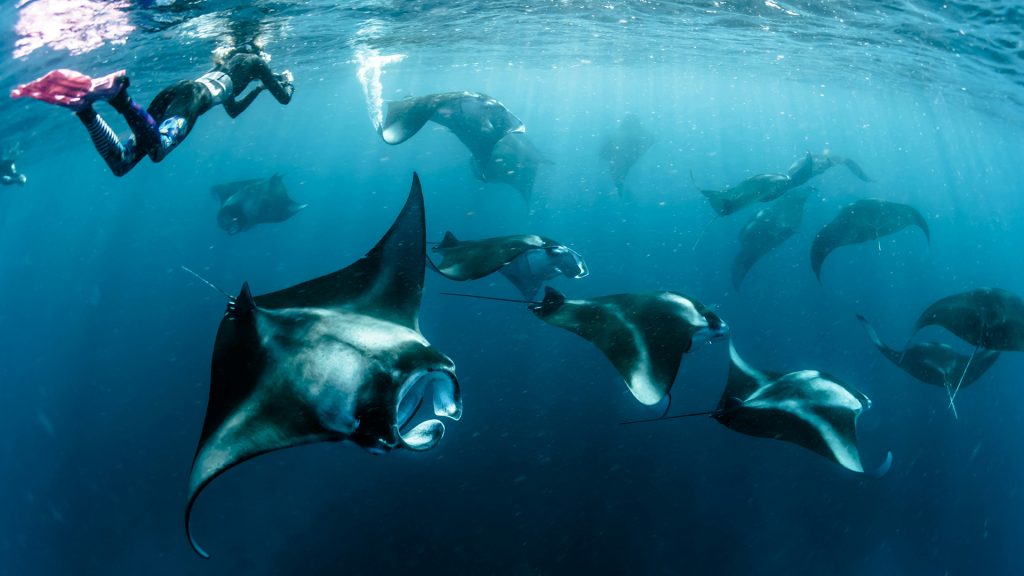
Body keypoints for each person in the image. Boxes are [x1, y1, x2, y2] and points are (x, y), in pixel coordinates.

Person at [10, 46, 294, 176]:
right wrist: (287, 83)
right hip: (193, 100)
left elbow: (232, 110)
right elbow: (285, 99)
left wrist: (257, 90)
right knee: (157, 151)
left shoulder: (228, 64)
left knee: (121, 164)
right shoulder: (257, 62)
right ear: (260, 50)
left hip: (179, 90)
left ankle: (85, 110)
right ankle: (121, 99)